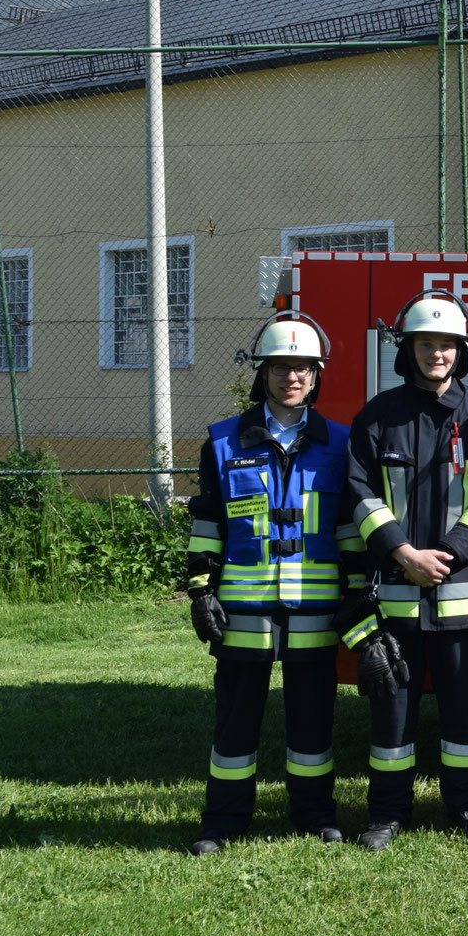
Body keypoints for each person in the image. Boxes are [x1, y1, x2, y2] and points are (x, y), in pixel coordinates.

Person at [184, 312, 361, 854]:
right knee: (236, 723)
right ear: (263, 374)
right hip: (242, 607)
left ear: (317, 375)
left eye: (303, 369)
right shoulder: (222, 441)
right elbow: (210, 521)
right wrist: (199, 590)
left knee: (313, 721)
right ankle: (223, 822)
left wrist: (358, 594)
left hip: (314, 608)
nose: (292, 378)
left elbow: (349, 529)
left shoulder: (341, 443)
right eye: (281, 368)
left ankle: (313, 815)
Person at [342, 291, 468, 850]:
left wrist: (450, 554)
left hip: (461, 595)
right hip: (396, 595)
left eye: (446, 345)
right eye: (425, 344)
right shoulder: (377, 416)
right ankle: (387, 814)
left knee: (466, 715)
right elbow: (358, 493)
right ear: (408, 349)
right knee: (392, 716)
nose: (435, 354)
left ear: (461, 351)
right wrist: (402, 552)